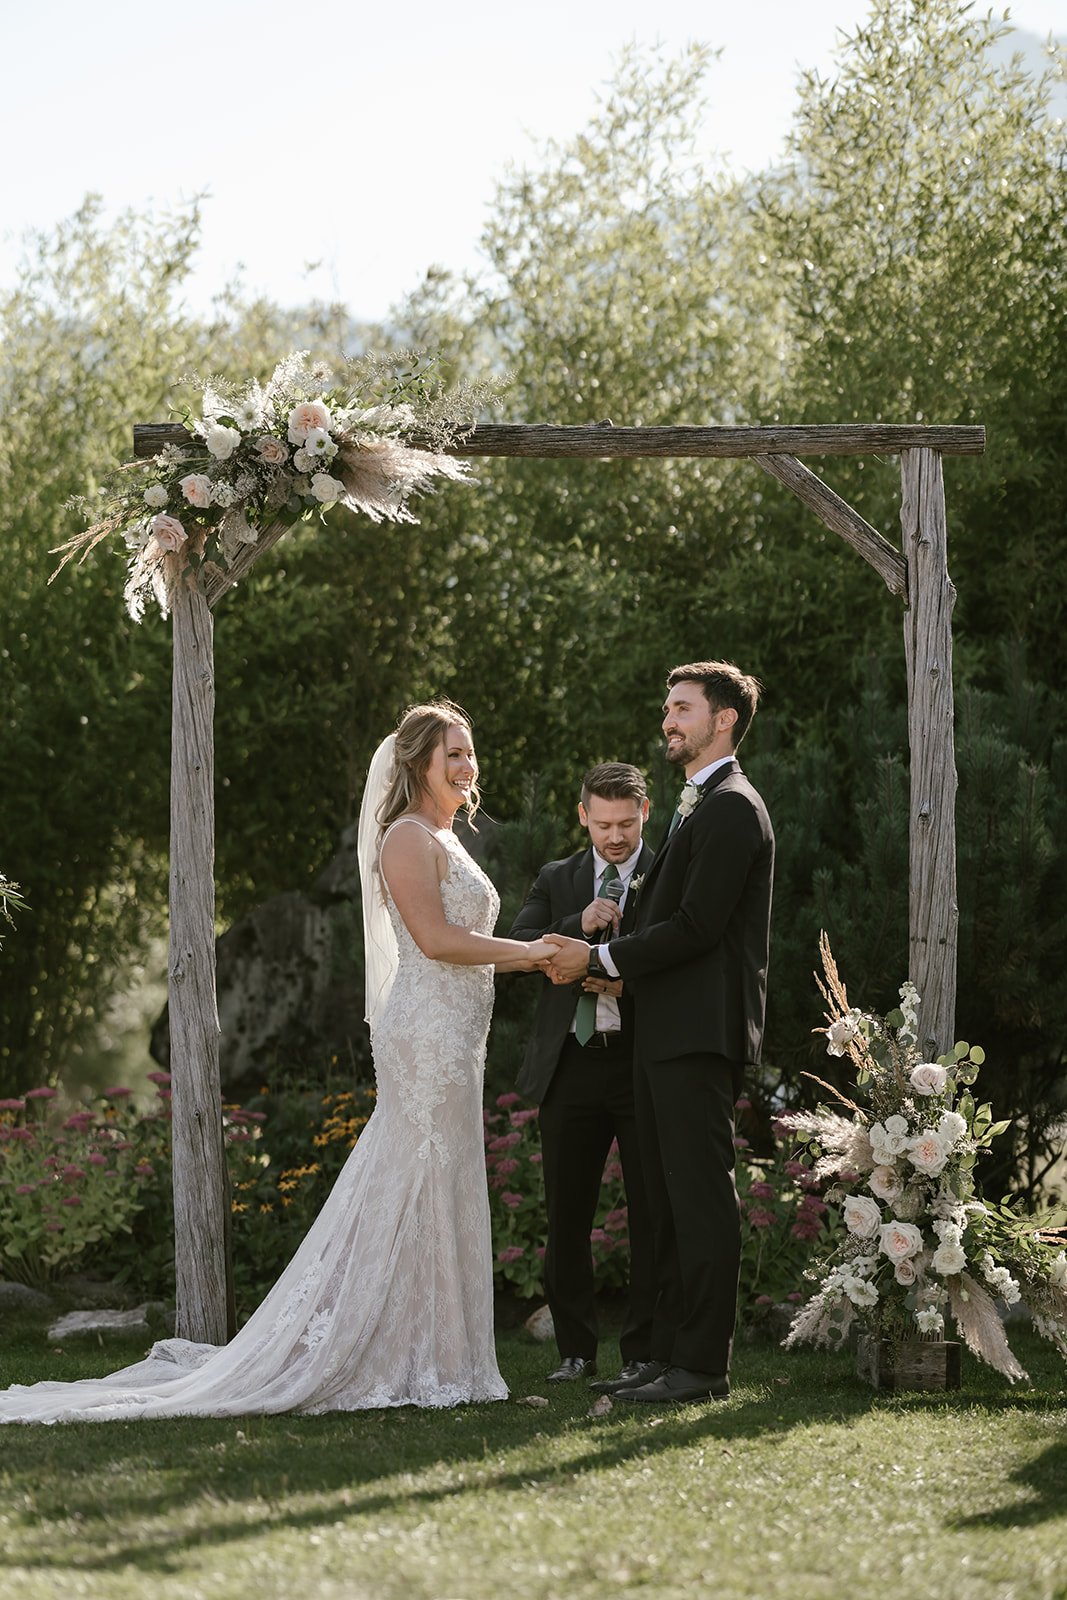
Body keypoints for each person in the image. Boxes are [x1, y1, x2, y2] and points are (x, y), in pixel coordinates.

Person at [0, 702, 553, 1425]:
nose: (466, 765)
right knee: (410, 1176)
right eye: (451, 753)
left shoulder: (447, 835)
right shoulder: (405, 839)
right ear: (415, 761)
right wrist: (536, 954)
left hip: (457, 1035)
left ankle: (442, 1354)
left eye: (469, 752)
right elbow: (437, 939)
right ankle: (384, 1350)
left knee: (439, 1180)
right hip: (424, 1036)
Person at [544, 663, 774, 1405]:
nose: (667, 720)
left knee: (700, 1202)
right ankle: (665, 1357)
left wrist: (603, 957)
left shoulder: (733, 808)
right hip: (665, 1033)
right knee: (670, 1204)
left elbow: (698, 927)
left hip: (698, 1034)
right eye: (666, 707)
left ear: (725, 719)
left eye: (682, 709)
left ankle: (701, 1366)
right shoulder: (698, 806)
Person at [509, 762, 657, 1390]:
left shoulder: (669, 869)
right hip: (571, 1067)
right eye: (603, 825)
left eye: (626, 823)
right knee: (568, 1215)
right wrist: (577, 928)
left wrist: (616, 972)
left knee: (654, 1211)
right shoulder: (558, 878)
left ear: (644, 813)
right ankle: (574, 1352)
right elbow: (518, 944)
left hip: (642, 1062)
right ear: (583, 816)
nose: (615, 837)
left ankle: (645, 1353)